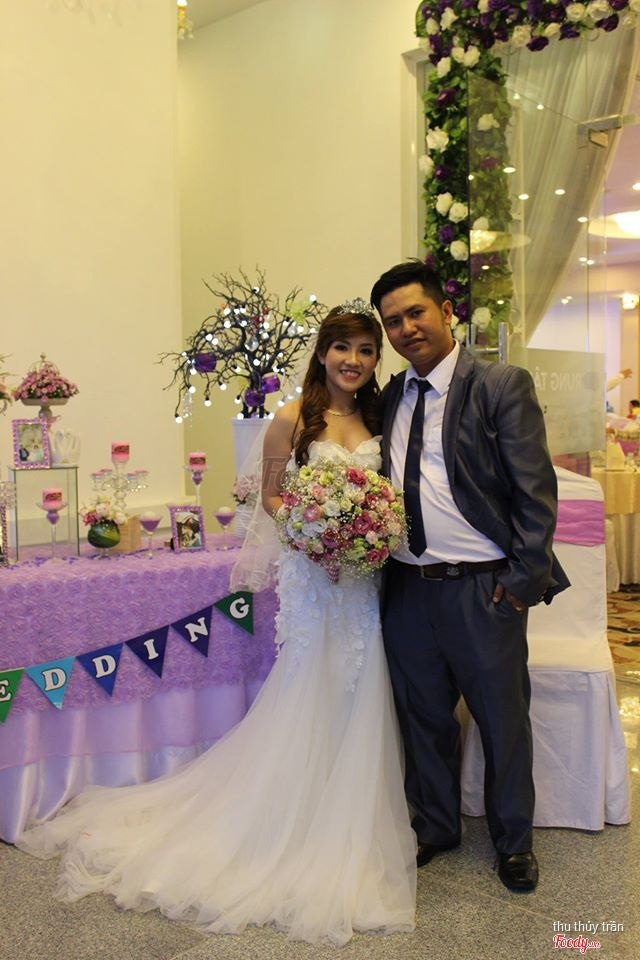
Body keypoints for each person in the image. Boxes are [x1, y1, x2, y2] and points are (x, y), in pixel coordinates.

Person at [16, 303, 416, 947]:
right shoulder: (292, 418)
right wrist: (316, 533)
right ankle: (288, 823)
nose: (353, 360)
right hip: (315, 579)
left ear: (376, 360)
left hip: (361, 582)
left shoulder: (380, 418)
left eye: (366, 350)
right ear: (322, 353)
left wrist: (362, 532)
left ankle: (350, 819)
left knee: (360, 688)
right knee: (311, 687)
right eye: (342, 347)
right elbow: (272, 495)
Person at [370, 260, 570, 894]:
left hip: (484, 588)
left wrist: (523, 580)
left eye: (415, 313)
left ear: (446, 312)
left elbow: (536, 492)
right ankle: (435, 826)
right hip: (407, 587)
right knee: (422, 716)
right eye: (392, 321)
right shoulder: (389, 397)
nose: (406, 328)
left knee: (502, 721)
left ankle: (514, 843)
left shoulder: (499, 384)